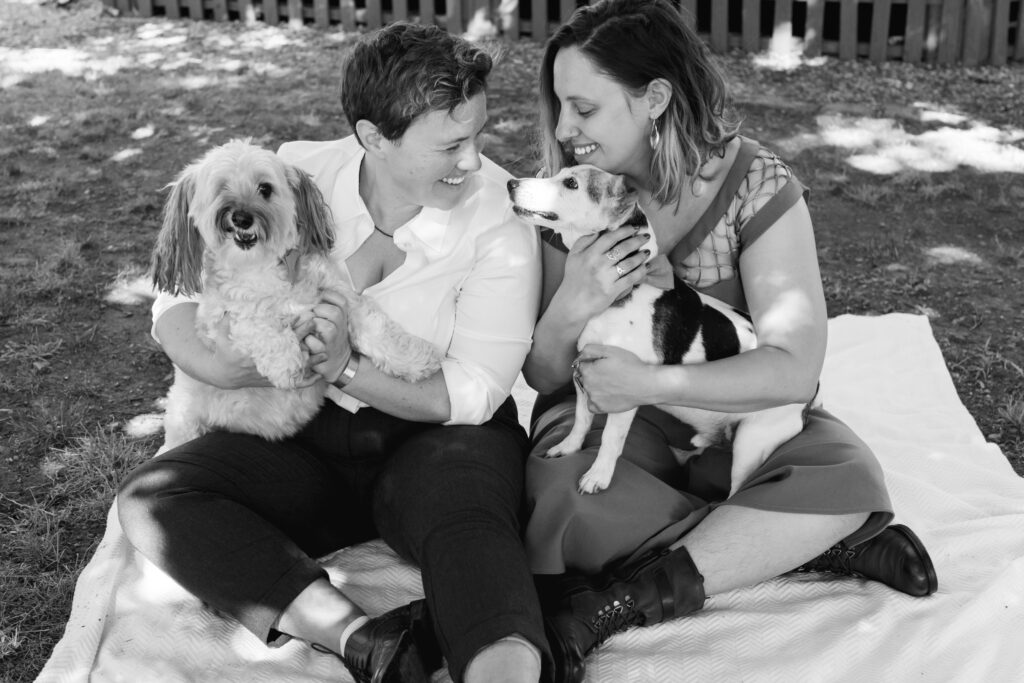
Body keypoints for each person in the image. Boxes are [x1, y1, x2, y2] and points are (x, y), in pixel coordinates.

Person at [117, 23, 549, 683]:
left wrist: (346, 366)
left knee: (469, 522)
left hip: (432, 435)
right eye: (452, 144)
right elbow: (183, 282)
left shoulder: (499, 218)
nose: (474, 160)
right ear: (374, 138)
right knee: (155, 496)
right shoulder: (294, 170)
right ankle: (367, 639)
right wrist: (204, 360)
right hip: (301, 435)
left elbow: (476, 391)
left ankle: (504, 669)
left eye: (479, 135)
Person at [520, 2, 938, 681]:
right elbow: (543, 375)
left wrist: (654, 383)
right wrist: (573, 303)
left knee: (847, 471)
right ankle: (793, 542)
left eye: (584, 109)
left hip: (726, 404)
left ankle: (622, 599)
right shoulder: (567, 195)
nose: (564, 130)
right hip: (613, 419)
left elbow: (793, 370)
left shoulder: (754, 185)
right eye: (559, 107)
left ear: (655, 98)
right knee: (561, 490)